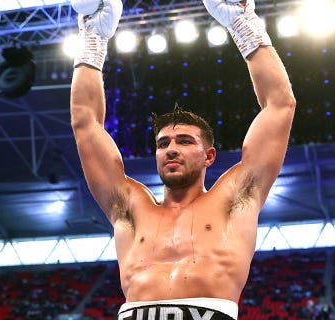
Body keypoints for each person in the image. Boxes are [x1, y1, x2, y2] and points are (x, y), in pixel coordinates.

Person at [69, 0, 296, 317]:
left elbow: (279, 105)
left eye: (185, 141)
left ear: (209, 156)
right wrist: (93, 40)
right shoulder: (130, 207)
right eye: (163, 143)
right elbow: (86, 124)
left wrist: (244, 24)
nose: (171, 149)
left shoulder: (235, 199)